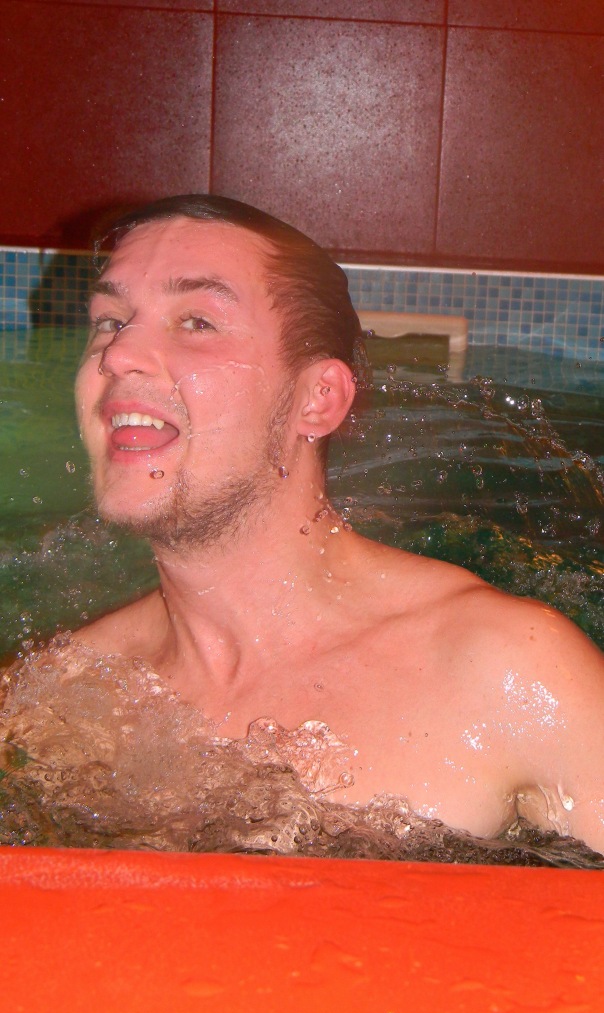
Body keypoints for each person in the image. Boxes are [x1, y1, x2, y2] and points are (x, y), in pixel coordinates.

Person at [45, 195, 604, 851]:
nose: (118, 355)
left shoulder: (510, 674)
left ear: (318, 399)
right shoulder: (60, 699)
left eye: (196, 321)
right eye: (110, 322)